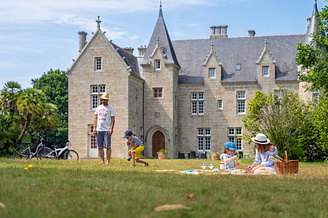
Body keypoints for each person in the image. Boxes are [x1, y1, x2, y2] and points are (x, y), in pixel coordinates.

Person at [93, 92, 115, 165]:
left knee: (108, 146)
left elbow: (112, 119)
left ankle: (108, 161)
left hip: (107, 130)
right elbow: (95, 118)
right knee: (100, 146)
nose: (105, 101)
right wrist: (94, 128)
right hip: (99, 129)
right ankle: (102, 160)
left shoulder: (111, 108)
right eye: (104, 99)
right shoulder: (98, 108)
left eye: (106, 100)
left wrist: (111, 129)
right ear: (101, 99)